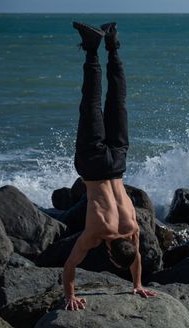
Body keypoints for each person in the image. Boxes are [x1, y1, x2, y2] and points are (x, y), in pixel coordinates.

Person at [63, 21, 157, 311]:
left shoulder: (132, 228)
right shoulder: (96, 233)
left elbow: (136, 256)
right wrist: (70, 296)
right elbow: (69, 267)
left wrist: (137, 283)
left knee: (118, 101)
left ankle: (112, 44)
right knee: (90, 103)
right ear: (110, 253)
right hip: (92, 164)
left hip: (118, 162)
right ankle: (91, 48)